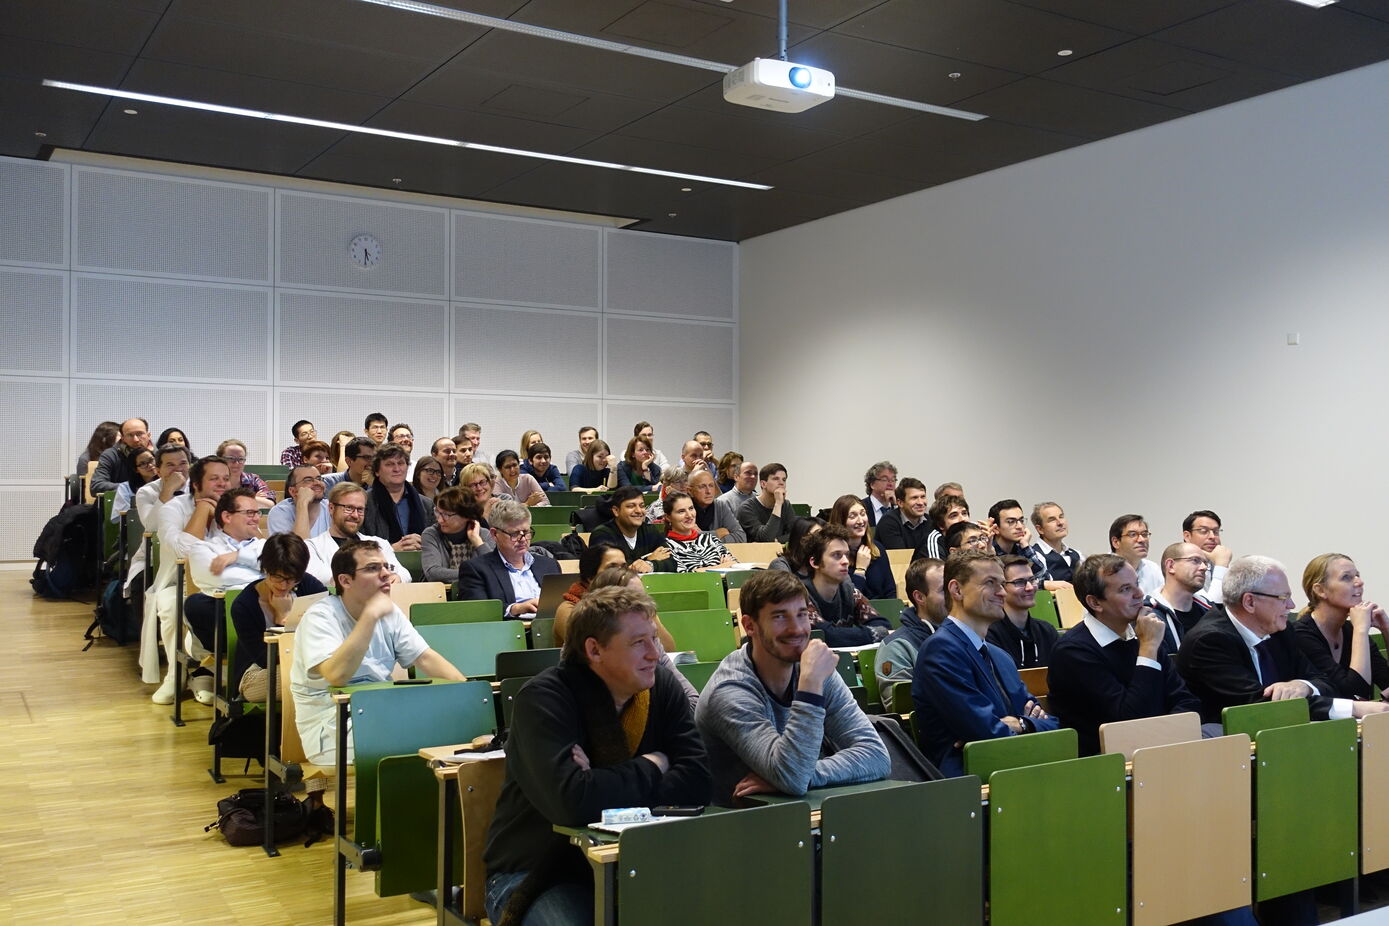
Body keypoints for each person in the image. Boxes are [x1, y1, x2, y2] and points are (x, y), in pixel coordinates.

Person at [482, 586, 710, 925]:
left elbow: (698, 782)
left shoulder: (660, 686)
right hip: (536, 872)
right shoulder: (544, 699)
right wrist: (654, 765)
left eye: (653, 639)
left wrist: (598, 782)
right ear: (594, 650)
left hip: (638, 859)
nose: (654, 654)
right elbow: (570, 804)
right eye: (638, 643)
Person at [695, 569, 889, 806]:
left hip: (802, 816)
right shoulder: (730, 690)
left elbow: (876, 755)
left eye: (801, 615)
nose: (797, 629)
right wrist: (809, 689)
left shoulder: (813, 669)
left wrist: (806, 774)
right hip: (735, 826)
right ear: (749, 626)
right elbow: (793, 777)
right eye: (779, 617)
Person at [292, 540, 464, 768]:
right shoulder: (321, 617)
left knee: (455, 727)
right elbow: (336, 675)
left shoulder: (389, 612)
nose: (385, 574)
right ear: (345, 580)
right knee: (422, 737)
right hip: (332, 726)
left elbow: (424, 657)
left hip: (380, 712)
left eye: (386, 567)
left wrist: (466, 691)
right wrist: (370, 617)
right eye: (373, 568)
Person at [1176, 555, 1389, 724]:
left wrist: (1304, 685)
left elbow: (1324, 682)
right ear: (1250, 602)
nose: (1291, 605)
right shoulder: (1210, 641)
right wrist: (1354, 708)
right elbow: (1261, 706)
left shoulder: (1280, 630)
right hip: (1223, 743)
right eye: (1283, 598)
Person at [911, 552, 1058, 776]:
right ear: (957, 590)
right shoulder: (940, 650)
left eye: (1002, 583)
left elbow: (1053, 725)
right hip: (969, 781)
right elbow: (986, 733)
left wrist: (1021, 724)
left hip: (1017, 768)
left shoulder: (1000, 656)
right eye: (990, 583)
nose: (1001, 592)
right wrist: (1025, 724)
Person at [1047, 553, 1204, 756]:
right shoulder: (1073, 652)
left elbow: (1187, 702)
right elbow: (1128, 720)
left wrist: (1171, 737)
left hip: (1161, 750)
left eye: (1136, 584)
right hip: (1107, 765)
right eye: (1125, 589)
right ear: (1095, 603)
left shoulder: (1143, 634)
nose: (1139, 594)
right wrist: (1147, 648)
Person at [149, 454, 231, 704]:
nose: (222, 484)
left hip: (221, 581)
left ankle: (207, 672)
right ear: (196, 484)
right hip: (179, 582)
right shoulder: (172, 509)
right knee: (173, 605)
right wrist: (203, 509)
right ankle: (176, 674)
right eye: (214, 478)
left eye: (226, 479)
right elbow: (185, 552)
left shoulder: (232, 507)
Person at [185, 488, 269, 696]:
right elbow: (217, 578)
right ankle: (241, 686)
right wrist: (258, 571)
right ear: (227, 516)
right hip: (227, 614)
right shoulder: (203, 548)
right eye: (249, 513)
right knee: (196, 603)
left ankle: (240, 687)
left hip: (269, 611)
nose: (255, 518)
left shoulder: (267, 545)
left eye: (257, 513)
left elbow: (281, 567)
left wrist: (236, 557)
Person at [230, 532, 326, 701]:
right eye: (277, 577)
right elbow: (265, 660)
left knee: (327, 673)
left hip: (307, 664)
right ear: (265, 569)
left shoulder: (307, 585)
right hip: (257, 673)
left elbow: (331, 625)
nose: (283, 585)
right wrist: (284, 617)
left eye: (291, 579)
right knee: (312, 678)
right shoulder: (244, 605)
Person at [1292, 553, 1389, 702]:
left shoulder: (1352, 630)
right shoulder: (1300, 634)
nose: (1359, 582)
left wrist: (1386, 629)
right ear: (1320, 590)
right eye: (1347, 577)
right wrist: (1361, 631)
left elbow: (1386, 683)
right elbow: (1356, 694)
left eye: (1357, 575)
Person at [457, 500, 562, 618]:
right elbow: (477, 611)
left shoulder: (549, 565)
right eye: (515, 534)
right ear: (494, 534)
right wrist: (515, 608)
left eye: (526, 532)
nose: (523, 539)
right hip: (507, 632)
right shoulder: (476, 569)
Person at [303, 482, 414, 586]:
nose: (355, 515)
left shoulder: (379, 543)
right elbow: (321, 577)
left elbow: (404, 574)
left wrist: (397, 578)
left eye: (360, 509)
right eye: (349, 508)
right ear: (331, 508)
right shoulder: (312, 546)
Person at [798, 524, 890, 646]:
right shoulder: (800, 597)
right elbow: (826, 635)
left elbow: (881, 624)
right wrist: (872, 634)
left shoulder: (849, 590)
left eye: (846, 554)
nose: (846, 561)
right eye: (837, 555)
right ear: (814, 562)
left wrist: (849, 635)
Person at [875, 558, 946, 700]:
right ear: (920, 597)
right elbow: (902, 705)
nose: (955, 596)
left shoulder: (968, 634)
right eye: (944, 590)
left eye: (955, 588)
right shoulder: (897, 647)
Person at [984, 555, 1059, 669]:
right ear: (1001, 587)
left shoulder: (1047, 631)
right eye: (1019, 582)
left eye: (1032, 580)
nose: (1029, 587)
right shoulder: (990, 635)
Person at [362, 442, 434, 552]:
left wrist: (422, 543)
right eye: (389, 464)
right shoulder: (364, 503)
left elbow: (437, 541)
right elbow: (357, 544)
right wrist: (390, 549)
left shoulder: (426, 504)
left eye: (401, 463)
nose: (397, 469)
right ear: (376, 471)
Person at [1145, 542, 1213, 656]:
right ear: (1171, 566)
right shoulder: (1150, 615)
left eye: (1205, 563)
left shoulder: (1210, 611)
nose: (1204, 568)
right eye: (1195, 560)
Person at [588, 485, 676, 574]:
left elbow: (672, 563)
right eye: (631, 506)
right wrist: (648, 559)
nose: (638, 511)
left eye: (642, 506)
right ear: (616, 511)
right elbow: (612, 571)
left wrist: (650, 564)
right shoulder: (602, 534)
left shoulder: (650, 530)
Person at [555, 543, 630, 643]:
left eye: (624, 567)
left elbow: (657, 644)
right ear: (590, 577)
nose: (621, 574)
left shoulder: (629, 603)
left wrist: (641, 601)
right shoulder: (569, 610)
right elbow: (596, 648)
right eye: (612, 568)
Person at [827, 494, 895, 599]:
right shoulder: (835, 556)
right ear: (841, 521)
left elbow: (890, 591)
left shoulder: (877, 548)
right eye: (852, 516)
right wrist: (860, 569)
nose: (860, 521)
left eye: (863, 514)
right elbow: (848, 599)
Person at [420, 486, 492, 583]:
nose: (440, 520)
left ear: (466, 515)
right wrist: (478, 574)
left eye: (446, 515)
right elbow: (433, 573)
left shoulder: (484, 535)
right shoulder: (431, 534)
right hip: (440, 595)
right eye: (437, 512)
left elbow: (495, 570)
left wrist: (477, 541)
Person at [662, 491, 736, 572]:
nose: (689, 515)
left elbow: (734, 565)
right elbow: (684, 576)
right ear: (668, 517)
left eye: (691, 508)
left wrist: (701, 570)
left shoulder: (710, 539)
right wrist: (723, 566)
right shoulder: (666, 547)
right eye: (681, 511)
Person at [987, 498, 1049, 580]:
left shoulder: (1023, 549)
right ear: (996, 528)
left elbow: (1044, 577)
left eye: (1021, 520)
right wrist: (1042, 584)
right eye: (1011, 522)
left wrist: (1026, 547)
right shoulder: (988, 551)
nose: (1020, 526)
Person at [737, 463, 796, 544]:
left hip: (781, 553)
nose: (781, 483)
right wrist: (778, 504)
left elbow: (796, 535)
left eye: (784, 479)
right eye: (776, 479)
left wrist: (776, 540)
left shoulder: (786, 505)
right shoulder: (746, 508)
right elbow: (765, 539)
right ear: (763, 484)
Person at [1183, 509, 1232, 603]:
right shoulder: (1180, 567)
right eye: (1203, 531)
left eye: (1216, 531)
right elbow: (1210, 608)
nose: (1212, 536)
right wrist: (1221, 566)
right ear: (1187, 536)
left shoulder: (1222, 564)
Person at [266, 464, 329, 537]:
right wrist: (303, 503)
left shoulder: (331, 508)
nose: (318, 483)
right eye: (308, 480)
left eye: (319, 478)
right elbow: (297, 547)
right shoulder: (280, 512)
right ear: (293, 491)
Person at [92, 417, 151, 494]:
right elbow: (97, 485)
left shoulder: (159, 455)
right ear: (123, 438)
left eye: (139, 434)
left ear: (148, 435)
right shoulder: (111, 455)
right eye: (130, 435)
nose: (136, 439)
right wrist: (133, 488)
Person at [1029, 502, 1080, 588]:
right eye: (1052, 520)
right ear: (1040, 529)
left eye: (1061, 516)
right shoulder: (1033, 556)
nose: (1060, 523)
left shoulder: (1076, 554)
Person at [687, 467, 744, 542]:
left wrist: (702, 536)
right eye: (702, 487)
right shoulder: (683, 509)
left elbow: (740, 537)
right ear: (690, 491)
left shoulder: (720, 506)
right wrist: (717, 534)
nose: (708, 491)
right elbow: (685, 540)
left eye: (711, 485)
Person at [1109, 514, 1162, 595]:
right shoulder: (1101, 571)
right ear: (1116, 542)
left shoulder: (1153, 569)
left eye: (1144, 534)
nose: (1142, 540)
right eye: (1133, 534)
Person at [874, 477, 931, 551]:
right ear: (900, 503)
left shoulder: (930, 521)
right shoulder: (888, 522)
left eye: (923, 497)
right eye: (914, 498)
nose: (920, 502)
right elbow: (901, 558)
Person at [917, 493, 972, 561]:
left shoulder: (972, 535)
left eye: (964, 513)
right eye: (954, 516)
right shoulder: (933, 540)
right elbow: (939, 571)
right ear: (941, 525)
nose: (962, 519)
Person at [218, 439, 275, 503]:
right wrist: (252, 498)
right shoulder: (213, 481)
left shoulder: (253, 479)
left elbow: (270, 503)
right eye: (231, 458)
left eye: (241, 459)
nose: (236, 463)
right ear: (220, 460)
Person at [111, 447, 157, 519]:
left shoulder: (166, 482)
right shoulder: (125, 488)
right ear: (136, 469)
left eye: (151, 460)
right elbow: (121, 517)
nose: (150, 465)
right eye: (143, 464)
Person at [716, 459, 759, 526]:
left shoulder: (759, 499)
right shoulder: (723, 501)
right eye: (748, 473)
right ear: (736, 477)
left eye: (755, 474)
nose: (753, 477)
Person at [861, 461, 898, 527]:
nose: (890, 484)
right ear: (872, 484)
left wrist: (896, 506)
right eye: (884, 479)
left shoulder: (898, 508)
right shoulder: (861, 506)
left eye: (893, 480)